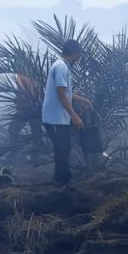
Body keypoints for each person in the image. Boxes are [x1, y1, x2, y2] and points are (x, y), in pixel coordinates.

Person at [41, 39, 92, 185]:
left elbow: (65, 92)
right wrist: (75, 117)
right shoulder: (61, 67)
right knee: (62, 151)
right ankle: (62, 183)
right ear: (75, 53)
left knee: (64, 149)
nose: (79, 59)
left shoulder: (62, 66)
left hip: (58, 118)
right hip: (55, 118)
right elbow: (61, 94)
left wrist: (80, 99)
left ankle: (63, 181)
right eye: (79, 55)